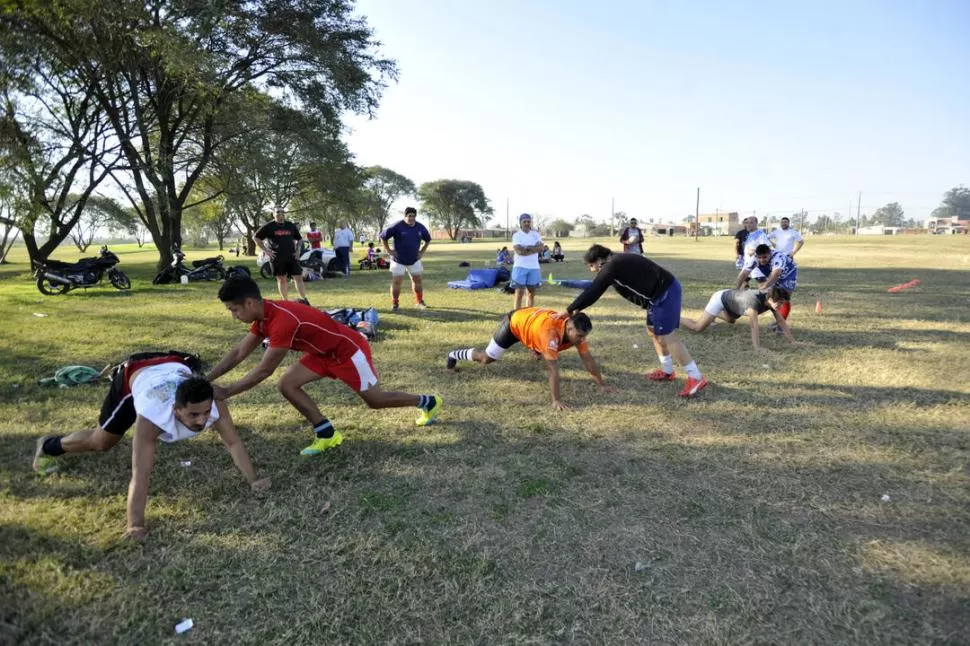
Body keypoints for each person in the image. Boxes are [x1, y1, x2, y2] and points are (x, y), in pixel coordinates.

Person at [32, 351, 269, 540]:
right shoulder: (151, 417)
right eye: (193, 415)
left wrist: (254, 479)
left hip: (173, 362)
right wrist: (135, 525)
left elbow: (233, 442)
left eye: (205, 412)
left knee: (212, 412)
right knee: (102, 442)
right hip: (135, 374)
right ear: (175, 410)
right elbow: (141, 473)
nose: (202, 420)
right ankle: (49, 445)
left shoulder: (214, 402)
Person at [208, 277, 443, 456]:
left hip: (349, 351)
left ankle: (428, 402)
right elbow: (239, 352)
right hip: (322, 353)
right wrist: (207, 379)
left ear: (249, 303)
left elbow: (264, 370)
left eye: (234, 310)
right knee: (287, 384)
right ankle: (326, 433)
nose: (234, 316)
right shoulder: (264, 317)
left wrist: (227, 392)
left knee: (376, 401)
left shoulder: (282, 321)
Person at [567, 244, 708, 398]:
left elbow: (595, 290)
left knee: (667, 336)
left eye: (592, 266)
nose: (592, 270)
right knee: (652, 330)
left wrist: (571, 309)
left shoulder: (612, 265)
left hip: (665, 293)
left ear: (599, 260)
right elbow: (597, 285)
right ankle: (667, 370)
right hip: (655, 298)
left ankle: (696, 377)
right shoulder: (616, 263)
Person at [445, 308, 614, 410]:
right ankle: (454, 355)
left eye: (584, 336)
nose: (581, 340)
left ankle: (535, 348)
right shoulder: (550, 335)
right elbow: (553, 370)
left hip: (532, 323)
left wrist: (602, 385)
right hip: (514, 324)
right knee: (486, 359)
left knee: (544, 349)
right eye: (578, 336)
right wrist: (556, 400)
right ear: (569, 327)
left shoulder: (575, 333)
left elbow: (588, 360)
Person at [680, 287, 804, 352]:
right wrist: (757, 348)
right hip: (720, 298)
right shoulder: (754, 303)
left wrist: (793, 341)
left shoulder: (771, 299)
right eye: (780, 303)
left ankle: (713, 315)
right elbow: (754, 326)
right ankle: (676, 317)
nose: (781, 306)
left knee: (731, 320)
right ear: (770, 299)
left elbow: (781, 321)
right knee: (698, 327)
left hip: (733, 302)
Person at [253, 206, 309, 304]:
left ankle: (304, 299)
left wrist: (298, 250)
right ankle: (285, 302)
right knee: (282, 279)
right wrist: (266, 251)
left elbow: (299, 239)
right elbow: (256, 238)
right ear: (273, 214)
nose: (280, 213)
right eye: (278, 212)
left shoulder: (290, 225)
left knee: (298, 278)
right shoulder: (269, 226)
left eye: (282, 212)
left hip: (292, 256)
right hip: (277, 257)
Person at [380, 206, 432, 311]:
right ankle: (395, 304)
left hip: (414, 259)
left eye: (413, 216)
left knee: (417, 280)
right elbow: (383, 237)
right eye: (409, 216)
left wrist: (422, 252)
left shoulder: (420, 227)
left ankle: (419, 302)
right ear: (405, 216)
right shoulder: (397, 226)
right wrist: (389, 251)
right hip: (398, 260)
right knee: (397, 282)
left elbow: (428, 239)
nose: (411, 218)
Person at [736, 243, 798, 322]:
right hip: (772, 271)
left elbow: (776, 273)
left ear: (770, 254)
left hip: (788, 273)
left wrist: (764, 286)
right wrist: (736, 289)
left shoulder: (778, 257)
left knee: (784, 298)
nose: (762, 259)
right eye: (760, 257)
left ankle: (781, 323)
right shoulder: (754, 258)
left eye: (764, 257)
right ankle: (779, 320)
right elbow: (743, 273)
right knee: (772, 296)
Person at [511, 213, 544, 309]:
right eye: (524, 222)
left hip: (534, 267)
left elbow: (541, 248)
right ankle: (516, 315)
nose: (526, 223)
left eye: (528, 221)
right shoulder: (517, 235)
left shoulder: (536, 235)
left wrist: (527, 248)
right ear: (520, 223)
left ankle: (528, 316)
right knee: (519, 293)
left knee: (531, 294)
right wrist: (534, 249)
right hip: (520, 267)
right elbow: (519, 251)